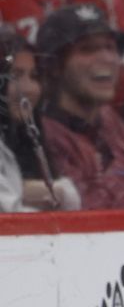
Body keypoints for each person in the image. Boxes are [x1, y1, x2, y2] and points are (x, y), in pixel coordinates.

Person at [36, 3, 124, 209]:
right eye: (87, 49)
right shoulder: (42, 132)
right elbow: (83, 219)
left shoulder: (107, 118)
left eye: (110, 47)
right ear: (53, 66)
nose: (107, 58)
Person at [0, 27, 80, 211]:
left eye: (34, 76)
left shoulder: (31, 139)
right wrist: (61, 193)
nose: (28, 88)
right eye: (14, 76)